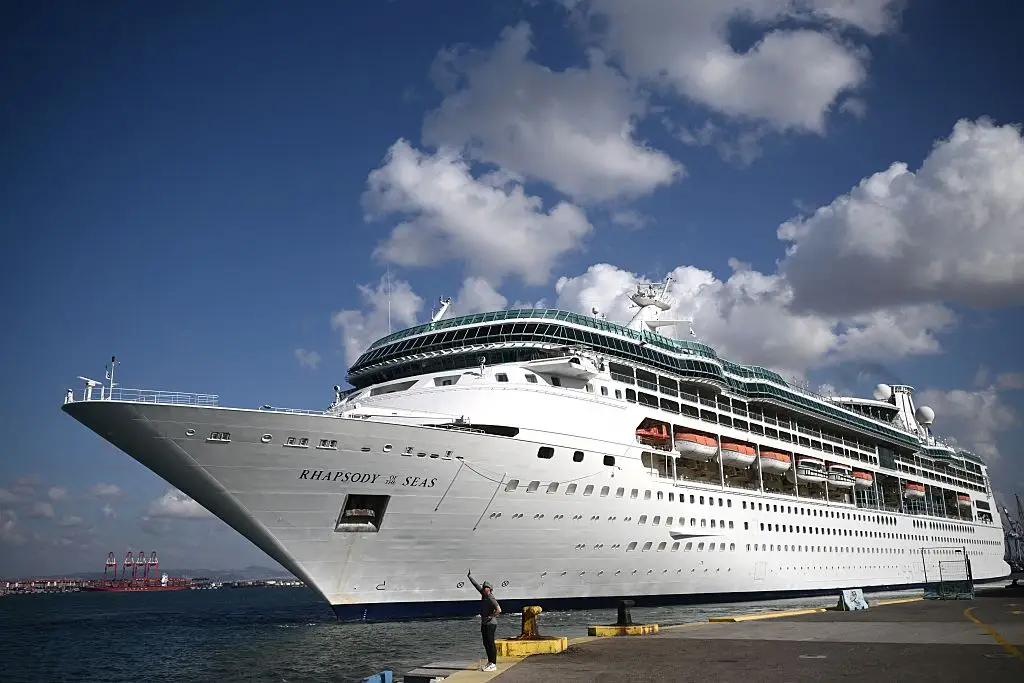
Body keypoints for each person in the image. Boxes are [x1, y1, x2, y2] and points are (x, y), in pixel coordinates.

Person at [467, 569, 501, 671]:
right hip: (484, 623)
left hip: (490, 624)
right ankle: (490, 662)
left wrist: (492, 616)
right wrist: (470, 577)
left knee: (490, 643)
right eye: (484, 587)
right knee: (486, 643)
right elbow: (476, 585)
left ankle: (493, 663)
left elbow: (499, 609)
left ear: (490, 589)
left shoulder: (490, 597)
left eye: (487, 588)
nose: (485, 589)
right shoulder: (483, 595)